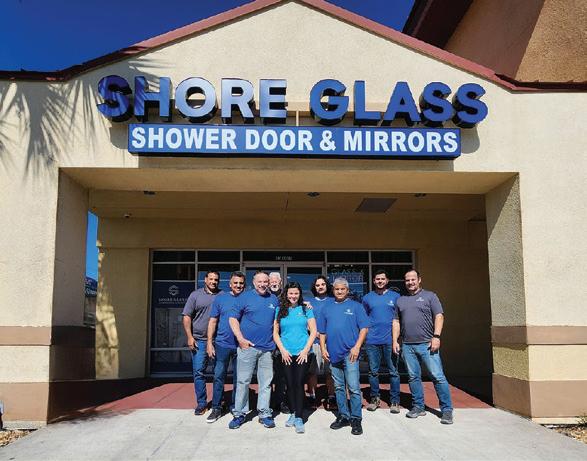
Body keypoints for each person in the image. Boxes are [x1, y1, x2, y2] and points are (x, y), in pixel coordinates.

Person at [392, 270, 454, 425]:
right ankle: (418, 406)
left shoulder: (430, 296)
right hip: (408, 345)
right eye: (407, 280)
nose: (410, 282)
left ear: (419, 280)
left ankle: (447, 410)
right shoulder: (400, 300)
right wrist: (395, 340)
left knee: (437, 376)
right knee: (413, 377)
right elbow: (396, 322)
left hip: (427, 344)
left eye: (413, 279)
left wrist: (436, 336)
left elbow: (439, 316)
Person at [318, 277, 369, 436]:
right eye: (337, 289)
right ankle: (344, 416)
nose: (339, 291)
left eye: (342, 289)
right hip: (333, 354)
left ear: (347, 290)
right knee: (339, 387)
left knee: (353, 387)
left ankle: (356, 418)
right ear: (333, 290)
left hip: (350, 354)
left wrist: (357, 347)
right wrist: (323, 348)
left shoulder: (356, 306)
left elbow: (364, 328)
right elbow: (322, 331)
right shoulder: (327, 308)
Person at [228, 271, 279, 429]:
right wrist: (240, 339)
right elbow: (232, 319)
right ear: (254, 282)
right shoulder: (244, 297)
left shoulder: (273, 299)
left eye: (265, 282)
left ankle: (264, 413)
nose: (263, 284)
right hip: (247, 348)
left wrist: (305, 304)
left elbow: (278, 319)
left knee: (266, 383)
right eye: (260, 282)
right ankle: (239, 414)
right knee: (243, 381)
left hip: (267, 349)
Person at [273, 281, 317, 433]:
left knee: (298, 383)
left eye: (296, 293)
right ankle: (293, 412)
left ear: (300, 294)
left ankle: (299, 417)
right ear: (286, 294)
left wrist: (305, 350)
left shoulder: (306, 309)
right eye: (291, 293)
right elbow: (275, 333)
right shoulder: (280, 310)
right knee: (290, 384)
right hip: (286, 353)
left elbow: (314, 331)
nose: (293, 296)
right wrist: (282, 350)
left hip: (302, 354)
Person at [205, 271, 246, 423]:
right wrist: (209, 342)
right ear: (230, 284)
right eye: (235, 283)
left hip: (241, 346)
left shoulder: (248, 299)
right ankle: (216, 408)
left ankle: (236, 406)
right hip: (222, 344)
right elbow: (213, 321)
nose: (238, 285)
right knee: (218, 376)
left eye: (241, 283)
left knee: (239, 378)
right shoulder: (220, 299)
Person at [182, 271, 221, 415]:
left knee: (218, 373)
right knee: (199, 372)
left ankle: (217, 403)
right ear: (205, 280)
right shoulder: (195, 295)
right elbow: (187, 316)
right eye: (211, 279)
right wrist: (189, 337)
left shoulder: (222, 295)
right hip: (199, 340)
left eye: (216, 279)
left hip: (218, 341)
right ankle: (202, 403)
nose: (213, 282)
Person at [362, 269, 401, 413]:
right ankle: (374, 399)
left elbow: (399, 319)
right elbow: (364, 318)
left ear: (387, 280)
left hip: (390, 340)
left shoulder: (396, 297)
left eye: (382, 279)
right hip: (372, 340)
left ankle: (395, 401)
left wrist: (397, 339)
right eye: (377, 279)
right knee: (373, 372)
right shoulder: (367, 298)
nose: (380, 281)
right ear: (374, 281)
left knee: (393, 372)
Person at [306, 276, 336, 410]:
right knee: (312, 372)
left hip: (331, 343)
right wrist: (316, 333)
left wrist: (327, 334)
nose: (320, 287)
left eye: (323, 284)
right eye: (317, 285)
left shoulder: (333, 301)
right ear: (314, 287)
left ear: (326, 286)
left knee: (330, 372)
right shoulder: (309, 303)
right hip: (315, 342)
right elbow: (306, 322)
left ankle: (331, 397)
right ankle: (312, 396)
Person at [268, 271, 289, 414]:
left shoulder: (286, 297)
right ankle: (268, 403)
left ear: (281, 282)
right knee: (267, 375)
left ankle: (281, 402)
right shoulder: (264, 296)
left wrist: (306, 304)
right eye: (272, 281)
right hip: (266, 341)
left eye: (276, 281)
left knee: (282, 375)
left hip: (283, 341)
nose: (274, 283)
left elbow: (297, 304)